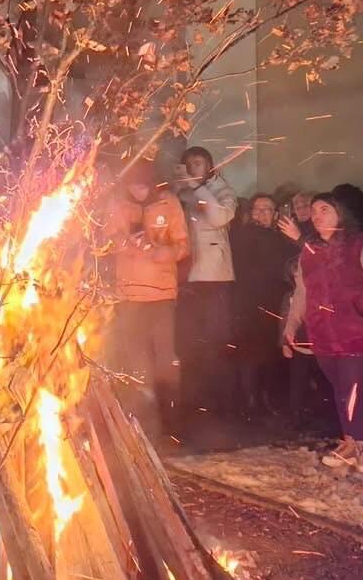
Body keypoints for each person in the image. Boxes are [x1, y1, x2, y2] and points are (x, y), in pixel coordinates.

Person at [281, 193, 363, 475]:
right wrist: (291, 325)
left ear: (340, 213)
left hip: (359, 331)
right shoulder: (311, 251)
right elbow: (302, 292)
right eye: (315, 211)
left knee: (356, 391)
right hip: (326, 335)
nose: (317, 215)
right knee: (342, 392)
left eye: (325, 209)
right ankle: (350, 442)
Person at [104, 160, 189, 434]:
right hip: (129, 294)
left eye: (143, 185)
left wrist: (166, 252)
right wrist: (128, 243)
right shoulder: (117, 204)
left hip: (162, 293)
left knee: (166, 358)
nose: (139, 191)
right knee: (135, 358)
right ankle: (141, 421)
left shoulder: (169, 203)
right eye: (133, 185)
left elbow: (183, 245)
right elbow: (106, 240)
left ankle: (172, 420)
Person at [173, 146, 237, 411]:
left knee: (215, 342)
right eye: (188, 164)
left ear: (209, 166)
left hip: (214, 279)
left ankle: (219, 404)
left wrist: (196, 188)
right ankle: (192, 402)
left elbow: (218, 216)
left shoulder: (222, 191)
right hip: (186, 278)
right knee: (189, 342)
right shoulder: (181, 192)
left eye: (198, 163)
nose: (193, 168)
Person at [230, 194, 298, 413]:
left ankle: (266, 397)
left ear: (276, 214)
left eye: (267, 209)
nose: (261, 213)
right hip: (247, 302)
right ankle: (249, 400)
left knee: (271, 351)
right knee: (249, 351)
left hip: (274, 301)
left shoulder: (282, 239)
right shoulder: (240, 236)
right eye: (257, 209)